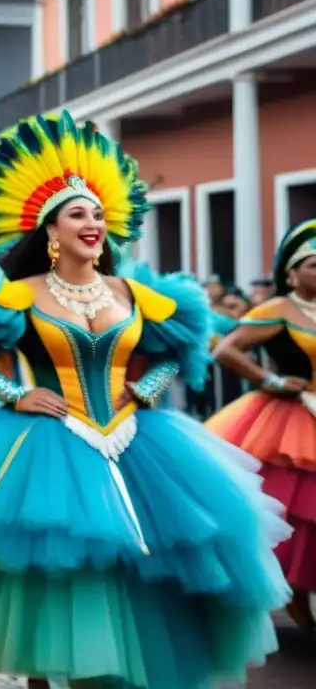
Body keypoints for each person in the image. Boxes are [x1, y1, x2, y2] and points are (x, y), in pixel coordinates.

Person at [0, 111, 290, 688]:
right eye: (78, 213)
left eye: (99, 213)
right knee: (50, 576)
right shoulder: (16, 293)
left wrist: (148, 387)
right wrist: (15, 394)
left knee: (136, 574)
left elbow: (181, 346)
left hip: (137, 443)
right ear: (50, 231)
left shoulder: (135, 293)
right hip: (47, 444)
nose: (93, 222)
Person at [208, 218, 316, 631]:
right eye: (313, 264)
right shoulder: (276, 309)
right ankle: (294, 594)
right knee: (292, 511)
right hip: (287, 421)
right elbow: (227, 351)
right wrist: (269, 380)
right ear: (291, 271)